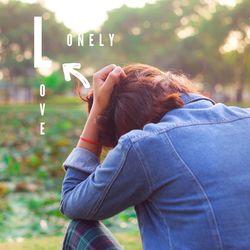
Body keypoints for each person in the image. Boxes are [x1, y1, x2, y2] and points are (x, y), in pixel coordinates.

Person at [60, 63, 250, 250]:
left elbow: (72, 201)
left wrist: (97, 112)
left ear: (122, 121)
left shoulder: (144, 144)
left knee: (79, 229)